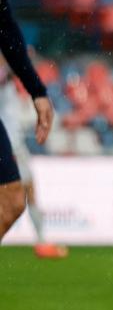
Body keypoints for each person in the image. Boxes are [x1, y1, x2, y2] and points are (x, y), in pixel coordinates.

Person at [0, 0, 53, 243]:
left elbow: (5, 27)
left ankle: (42, 237)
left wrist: (37, 91)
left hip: (4, 106)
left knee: (12, 200)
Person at [0, 55, 67, 257]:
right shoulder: (5, 75)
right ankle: (41, 240)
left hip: (14, 141)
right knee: (22, 195)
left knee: (25, 194)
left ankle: (41, 240)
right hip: (8, 143)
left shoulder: (8, 77)